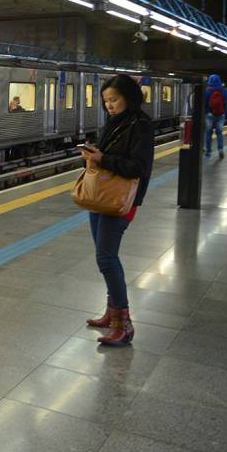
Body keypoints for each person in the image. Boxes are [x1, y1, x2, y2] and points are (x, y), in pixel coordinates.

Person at [80, 74, 154, 346]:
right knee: (106, 257)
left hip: (120, 201)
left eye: (114, 99)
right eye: (106, 101)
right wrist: (93, 155)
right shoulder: (114, 122)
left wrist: (104, 159)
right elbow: (109, 157)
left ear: (129, 97)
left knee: (106, 258)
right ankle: (112, 313)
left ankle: (124, 324)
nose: (109, 105)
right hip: (100, 197)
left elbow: (138, 168)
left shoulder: (141, 125)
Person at [204, 74, 227, 159]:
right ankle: (220, 149)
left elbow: (204, 103)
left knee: (208, 133)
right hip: (220, 115)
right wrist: (224, 113)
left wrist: (206, 112)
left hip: (209, 115)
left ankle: (208, 151)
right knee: (219, 133)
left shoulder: (207, 90)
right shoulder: (224, 91)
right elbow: (225, 103)